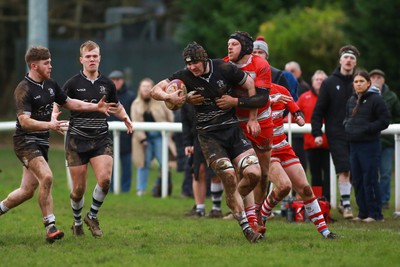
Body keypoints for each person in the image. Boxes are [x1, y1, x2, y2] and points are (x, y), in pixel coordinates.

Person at [150, 41, 265, 243]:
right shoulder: (184, 76)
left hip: (232, 130)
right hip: (209, 136)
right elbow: (154, 90)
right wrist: (173, 97)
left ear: (203, 59)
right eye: (188, 64)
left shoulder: (224, 67)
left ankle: (234, 198)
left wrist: (253, 117)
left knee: (254, 174)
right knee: (228, 175)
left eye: (195, 63)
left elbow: (249, 85)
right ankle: (246, 226)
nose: (192, 67)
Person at [0, 45, 114, 243]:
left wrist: (95, 106)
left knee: (26, 191)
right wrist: (50, 124)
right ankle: (50, 226)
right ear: (34, 66)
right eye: (47, 63)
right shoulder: (23, 89)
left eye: (50, 62)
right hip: (25, 142)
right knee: (47, 177)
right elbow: (24, 121)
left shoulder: (51, 85)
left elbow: (71, 102)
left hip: (41, 143)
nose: (51, 66)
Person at [60, 40, 134, 237]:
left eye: (95, 56)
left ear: (100, 58)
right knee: (78, 190)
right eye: (88, 56)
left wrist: (126, 118)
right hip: (77, 140)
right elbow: (59, 103)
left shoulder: (107, 84)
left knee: (105, 180)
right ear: (81, 59)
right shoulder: (72, 83)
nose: (92, 59)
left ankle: (92, 216)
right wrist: (52, 117)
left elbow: (115, 105)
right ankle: (77, 223)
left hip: (101, 138)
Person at [260, 83, 337, 239]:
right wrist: (271, 100)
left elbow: (295, 108)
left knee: (305, 189)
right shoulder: (250, 92)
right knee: (284, 187)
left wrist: (298, 116)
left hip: (283, 147)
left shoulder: (281, 90)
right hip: (265, 149)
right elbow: (244, 109)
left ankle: (325, 232)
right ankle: (262, 216)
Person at [220, 31, 272, 234]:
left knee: (264, 174)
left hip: (262, 121)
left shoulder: (260, 65)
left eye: (234, 44)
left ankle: (257, 213)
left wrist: (238, 105)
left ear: (245, 47)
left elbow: (260, 99)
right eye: (228, 44)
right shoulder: (225, 65)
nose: (229, 47)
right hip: (235, 122)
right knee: (246, 170)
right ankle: (250, 218)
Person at [311, 44, 360, 219]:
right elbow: (319, 111)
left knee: (356, 170)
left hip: (358, 133)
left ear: (355, 62)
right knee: (344, 168)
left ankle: (346, 201)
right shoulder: (329, 83)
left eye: (352, 58)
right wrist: (317, 132)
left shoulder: (360, 82)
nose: (348, 60)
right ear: (340, 60)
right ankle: (346, 205)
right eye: (346, 57)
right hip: (336, 133)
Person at [344, 70, 389, 222]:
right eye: (356, 81)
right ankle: (363, 212)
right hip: (353, 145)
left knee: (369, 178)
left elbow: (384, 121)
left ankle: (375, 214)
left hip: (370, 145)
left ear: (368, 83)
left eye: (361, 81)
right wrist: (347, 126)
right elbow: (346, 118)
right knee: (356, 179)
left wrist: (367, 128)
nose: (358, 84)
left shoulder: (376, 100)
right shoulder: (351, 100)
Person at [130, 77, 176, 197]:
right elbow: (135, 122)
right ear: (140, 89)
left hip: (160, 136)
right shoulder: (135, 104)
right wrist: (142, 139)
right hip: (144, 138)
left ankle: (162, 188)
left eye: (148, 86)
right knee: (143, 163)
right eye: (143, 87)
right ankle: (141, 189)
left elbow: (170, 117)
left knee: (164, 163)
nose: (145, 89)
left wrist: (169, 133)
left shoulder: (161, 102)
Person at [181, 103, 223, 218]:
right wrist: (187, 143)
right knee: (198, 171)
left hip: (215, 136)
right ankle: (199, 208)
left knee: (217, 170)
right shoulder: (185, 99)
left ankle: (216, 208)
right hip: (197, 138)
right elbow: (185, 123)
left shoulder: (210, 91)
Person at [297, 70, 331, 201]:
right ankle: (318, 199)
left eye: (322, 80)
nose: (319, 81)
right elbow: (295, 114)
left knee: (329, 173)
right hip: (311, 143)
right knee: (315, 173)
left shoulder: (330, 97)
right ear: (312, 82)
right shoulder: (304, 97)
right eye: (317, 79)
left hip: (329, 143)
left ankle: (327, 199)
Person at [369, 69, 400, 209]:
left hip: (387, 141)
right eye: (373, 77)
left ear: (384, 80)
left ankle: (384, 200)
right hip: (369, 140)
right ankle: (371, 198)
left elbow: (397, 116)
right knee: (370, 172)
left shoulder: (392, 97)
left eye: (379, 77)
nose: (376, 79)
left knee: (386, 172)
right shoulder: (363, 95)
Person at [108, 70, 135, 193]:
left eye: (118, 79)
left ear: (122, 81)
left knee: (126, 167)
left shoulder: (130, 96)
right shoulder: (105, 97)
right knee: (109, 167)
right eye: (113, 80)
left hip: (126, 137)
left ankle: (125, 190)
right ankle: (111, 189)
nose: (115, 82)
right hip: (108, 138)